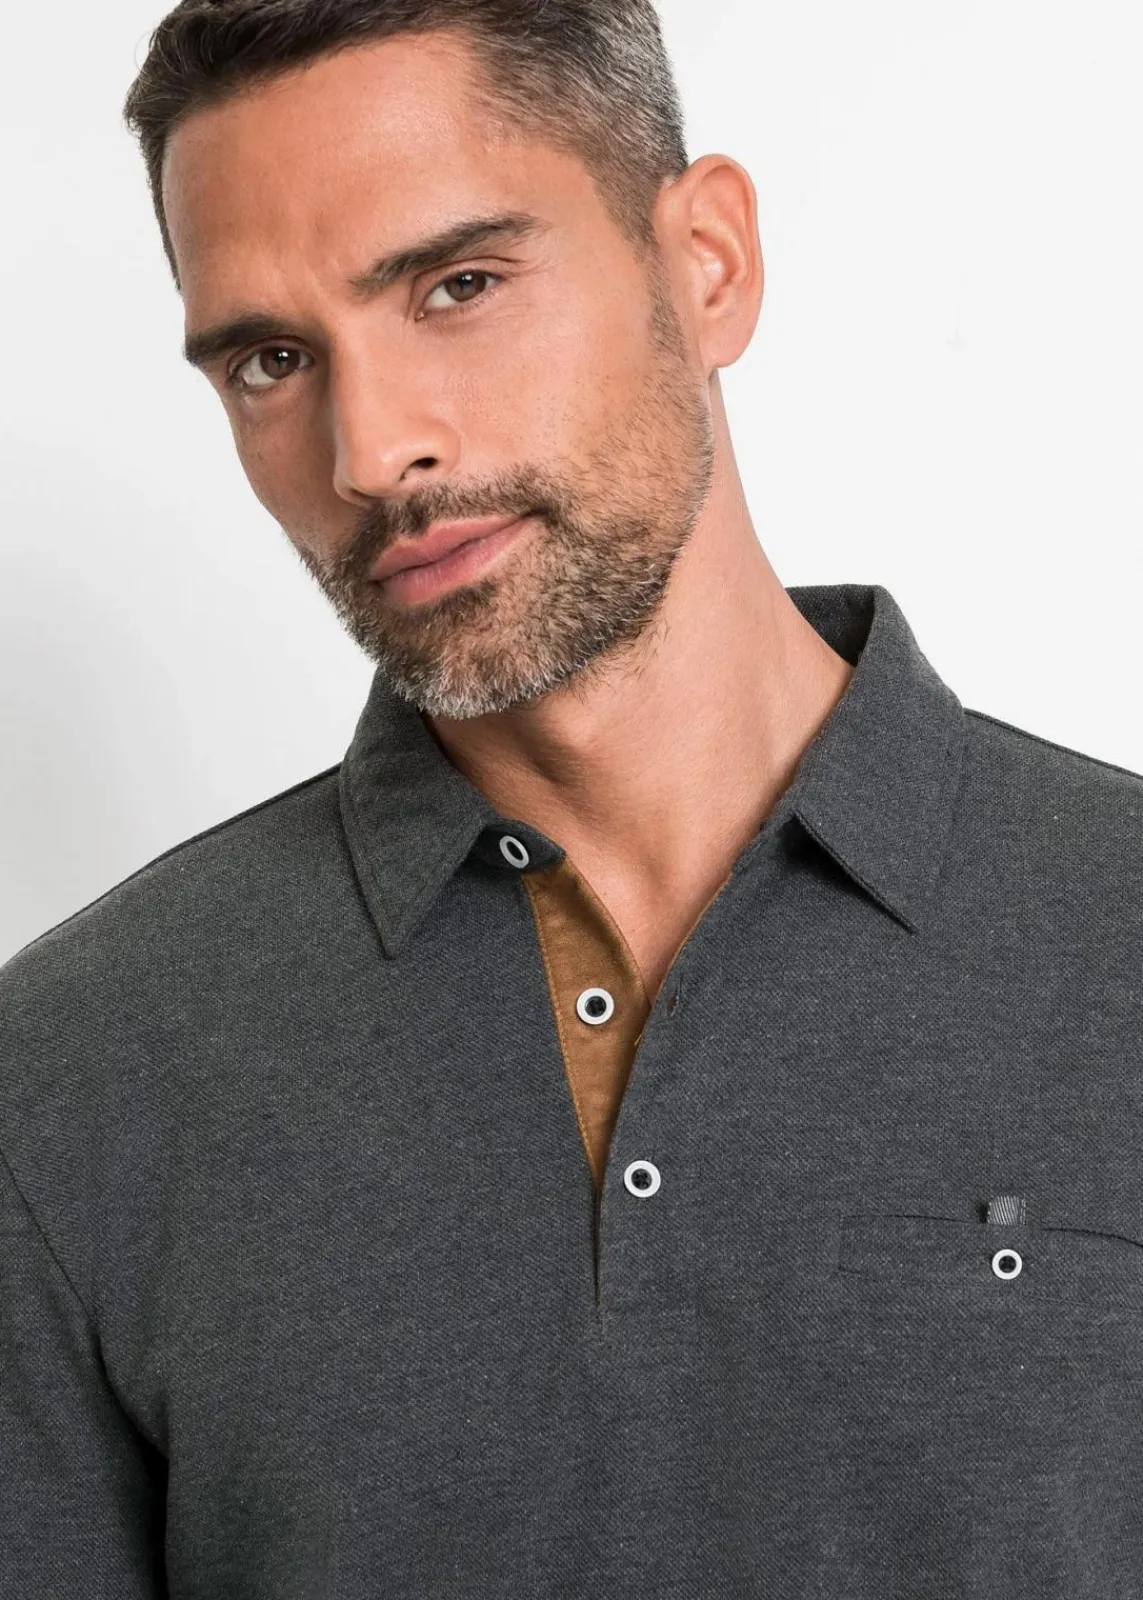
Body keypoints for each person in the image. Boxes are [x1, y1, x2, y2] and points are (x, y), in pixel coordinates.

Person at [3, 2, 1142, 1595]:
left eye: (456, 286)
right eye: (271, 359)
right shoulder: (67, 1075)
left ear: (707, 265)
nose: (372, 449)